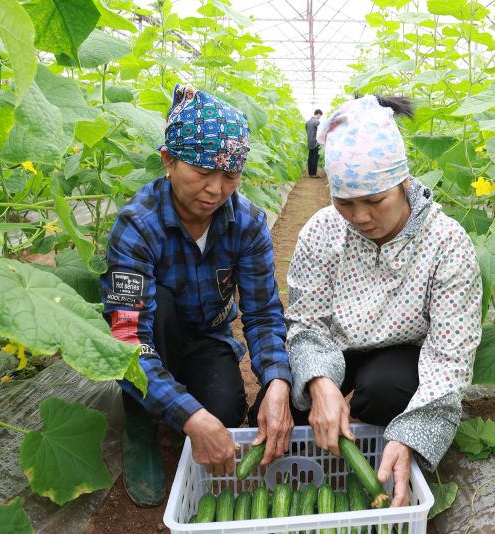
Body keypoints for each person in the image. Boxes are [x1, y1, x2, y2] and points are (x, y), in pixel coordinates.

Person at [101, 84, 293, 507]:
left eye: (229, 175)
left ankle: (176, 402)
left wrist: (277, 379)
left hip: (208, 337)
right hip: (152, 339)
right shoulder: (137, 226)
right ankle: (140, 419)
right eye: (202, 172)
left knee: (224, 414)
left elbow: (261, 314)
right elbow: (127, 337)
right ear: (168, 161)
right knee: (160, 309)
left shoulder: (247, 223)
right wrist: (189, 416)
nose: (215, 188)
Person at [286, 95, 482, 507]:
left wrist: (413, 434)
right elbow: (306, 322)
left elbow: (450, 355)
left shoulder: (447, 243)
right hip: (332, 352)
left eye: (375, 200)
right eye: (345, 202)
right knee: (285, 407)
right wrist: (320, 384)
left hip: (399, 359)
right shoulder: (322, 231)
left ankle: (382, 442)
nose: (359, 216)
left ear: (404, 183)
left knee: (387, 391)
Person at [305, 109, 323, 177]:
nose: (320, 117)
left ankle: (310, 173)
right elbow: (320, 132)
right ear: (318, 114)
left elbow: (307, 131)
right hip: (315, 142)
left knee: (310, 157)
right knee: (315, 158)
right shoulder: (317, 122)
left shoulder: (307, 122)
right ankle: (313, 174)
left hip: (310, 142)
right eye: (320, 116)